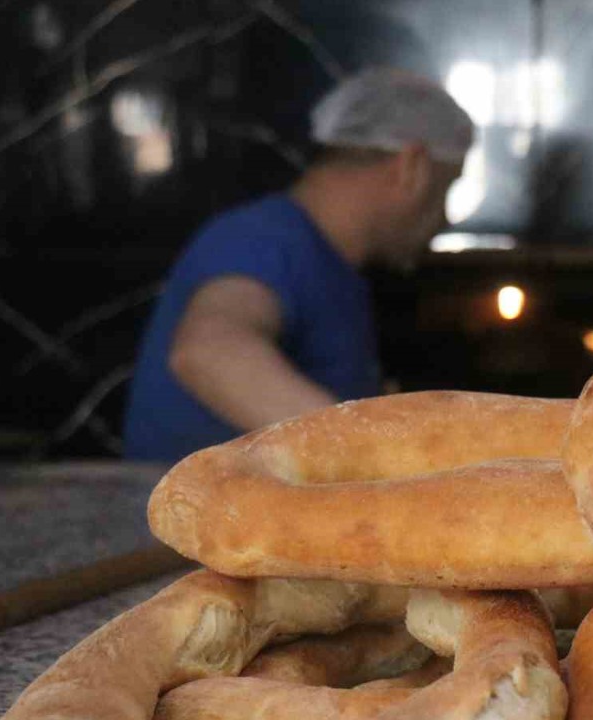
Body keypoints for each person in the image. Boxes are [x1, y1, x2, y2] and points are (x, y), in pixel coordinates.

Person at [123, 68, 473, 462]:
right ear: (413, 168)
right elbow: (207, 351)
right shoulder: (263, 237)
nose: (444, 218)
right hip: (194, 520)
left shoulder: (332, 265)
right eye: (447, 188)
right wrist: (378, 456)